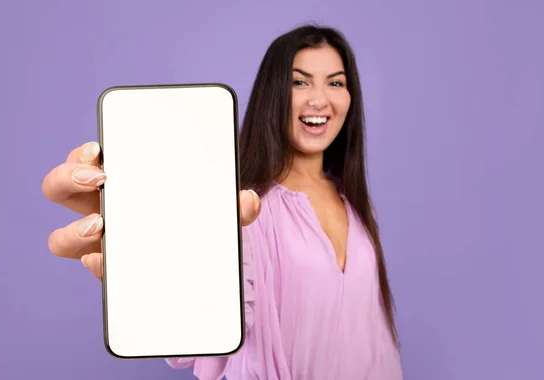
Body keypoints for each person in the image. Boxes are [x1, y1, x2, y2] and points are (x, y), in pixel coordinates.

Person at [42, 24, 403, 380]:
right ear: (273, 92)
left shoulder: (356, 204)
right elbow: (205, 335)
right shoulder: (244, 209)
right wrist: (162, 271)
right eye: (300, 81)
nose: (319, 99)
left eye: (336, 82)